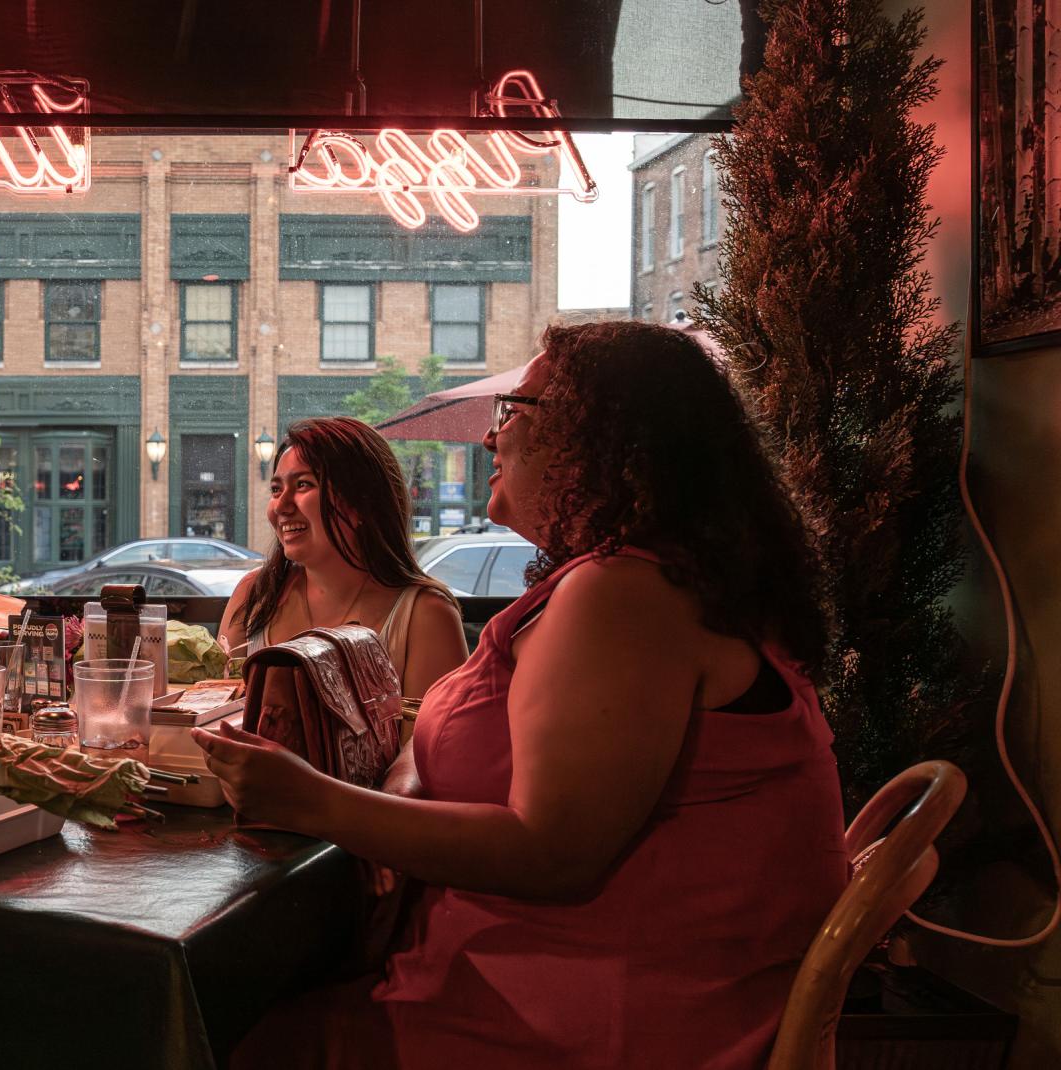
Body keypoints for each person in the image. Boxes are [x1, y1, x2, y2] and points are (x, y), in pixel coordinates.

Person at [198, 321, 847, 1069]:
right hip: (573, 981)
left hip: (587, 1021)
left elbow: (552, 853)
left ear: (599, 438)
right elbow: (441, 732)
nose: (488, 439)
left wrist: (313, 801)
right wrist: (405, 787)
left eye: (513, 412)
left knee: (223, 1031)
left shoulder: (623, 598)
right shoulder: (646, 583)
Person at [219, 415, 468, 705]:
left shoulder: (425, 615)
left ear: (362, 501)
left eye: (302, 485)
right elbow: (215, 710)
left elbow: (429, 747)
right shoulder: (254, 593)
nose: (281, 506)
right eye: (276, 490)